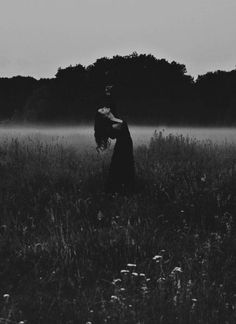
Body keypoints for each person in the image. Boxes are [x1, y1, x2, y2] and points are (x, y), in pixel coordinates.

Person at [94, 107, 135, 194]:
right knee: (122, 167)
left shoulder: (113, 123)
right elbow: (123, 124)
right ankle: (121, 190)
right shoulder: (114, 125)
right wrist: (112, 118)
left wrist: (112, 117)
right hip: (123, 147)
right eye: (102, 110)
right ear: (104, 116)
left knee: (121, 167)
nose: (104, 107)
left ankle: (122, 188)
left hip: (124, 145)